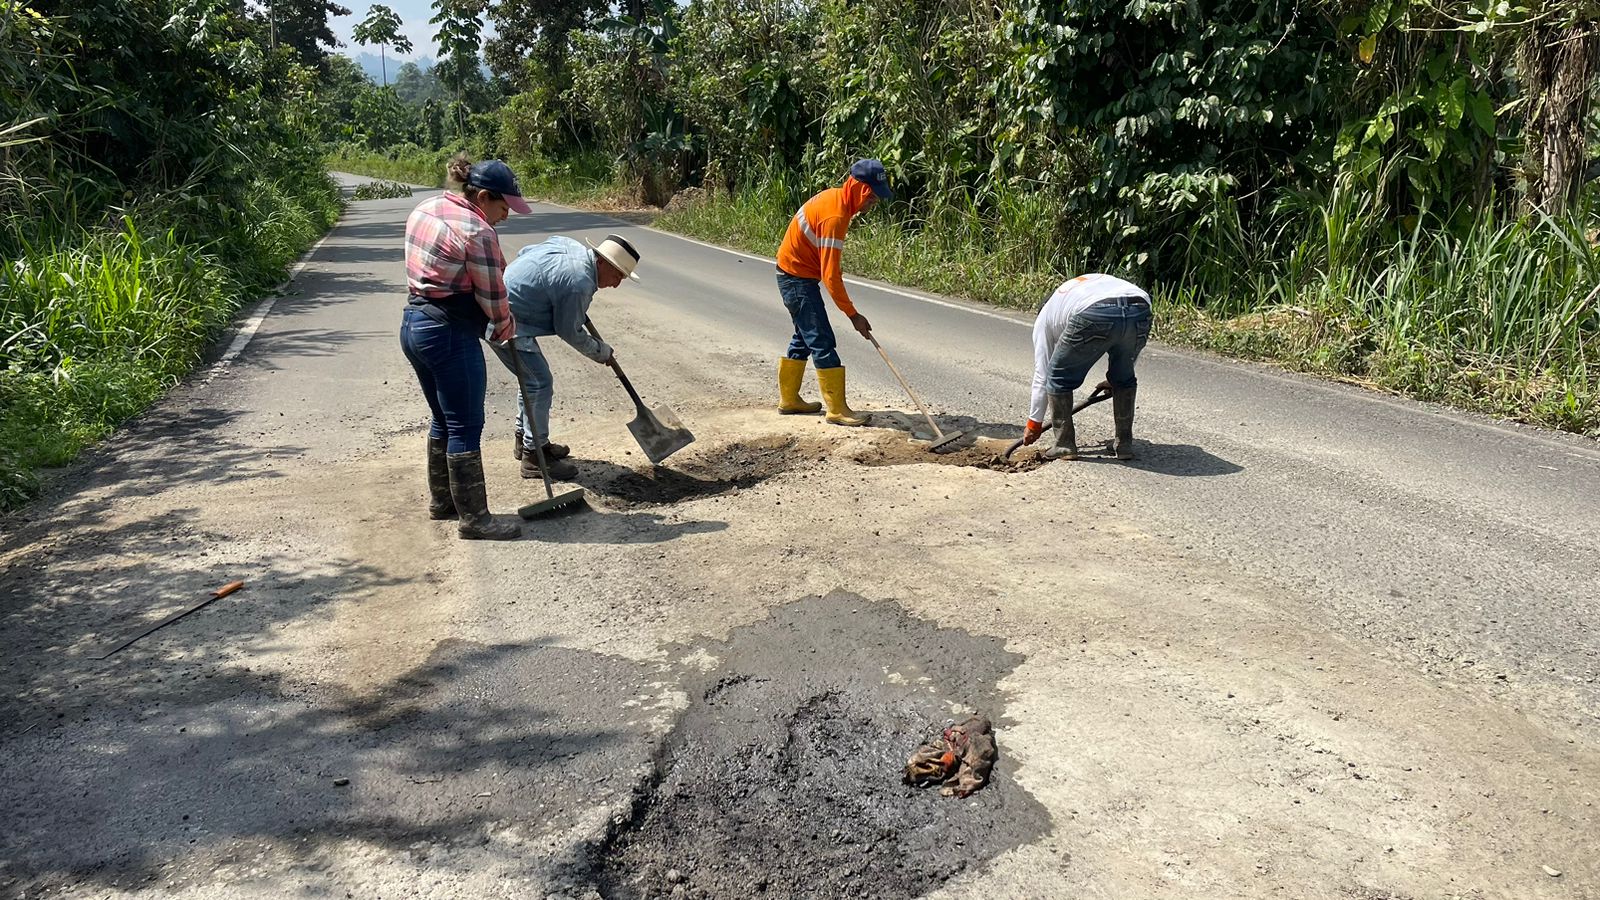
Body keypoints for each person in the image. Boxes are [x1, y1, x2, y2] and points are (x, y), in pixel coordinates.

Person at [399, 155, 531, 540]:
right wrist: (505, 326)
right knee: (466, 425)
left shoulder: (426, 208)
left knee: (443, 418)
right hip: (449, 332)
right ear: (484, 196)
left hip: (414, 326)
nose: (506, 215)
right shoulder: (477, 231)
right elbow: (493, 296)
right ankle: (475, 520)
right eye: (504, 206)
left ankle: (443, 502)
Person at [491, 233, 641, 481]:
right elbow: (568, 330)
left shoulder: (567, 245)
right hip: (504, 322)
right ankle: (534, 457)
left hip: (504, 307)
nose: (616, 284)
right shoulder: (579, 283)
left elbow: (525, 253)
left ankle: (525, 439)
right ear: (602, 262)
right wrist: (601, 351)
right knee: (539, 383)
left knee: (531, 381)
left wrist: (546, 291)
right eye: (617, 276)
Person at [773, 158, 893, 426]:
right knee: (821, 339)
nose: (873, 204)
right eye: (872, 198)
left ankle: (789, 400)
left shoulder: (837, 199)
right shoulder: (835, 216)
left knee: (805, 336)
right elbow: (831, 276)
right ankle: (837, 409)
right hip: (796, 279)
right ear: (861, 189)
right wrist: (853, 315)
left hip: (795, 275)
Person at [1020, 273, 1153, 460]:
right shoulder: (1080, 289)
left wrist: (1034, 423)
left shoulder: (1045, 318)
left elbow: (1043, 374)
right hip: (1139, 307)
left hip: (1094, 311)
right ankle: (1124, 444)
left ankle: (1064, 445)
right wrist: (1115, 380)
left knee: (1057, 377)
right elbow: (1129, 351)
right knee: (1124, 379)